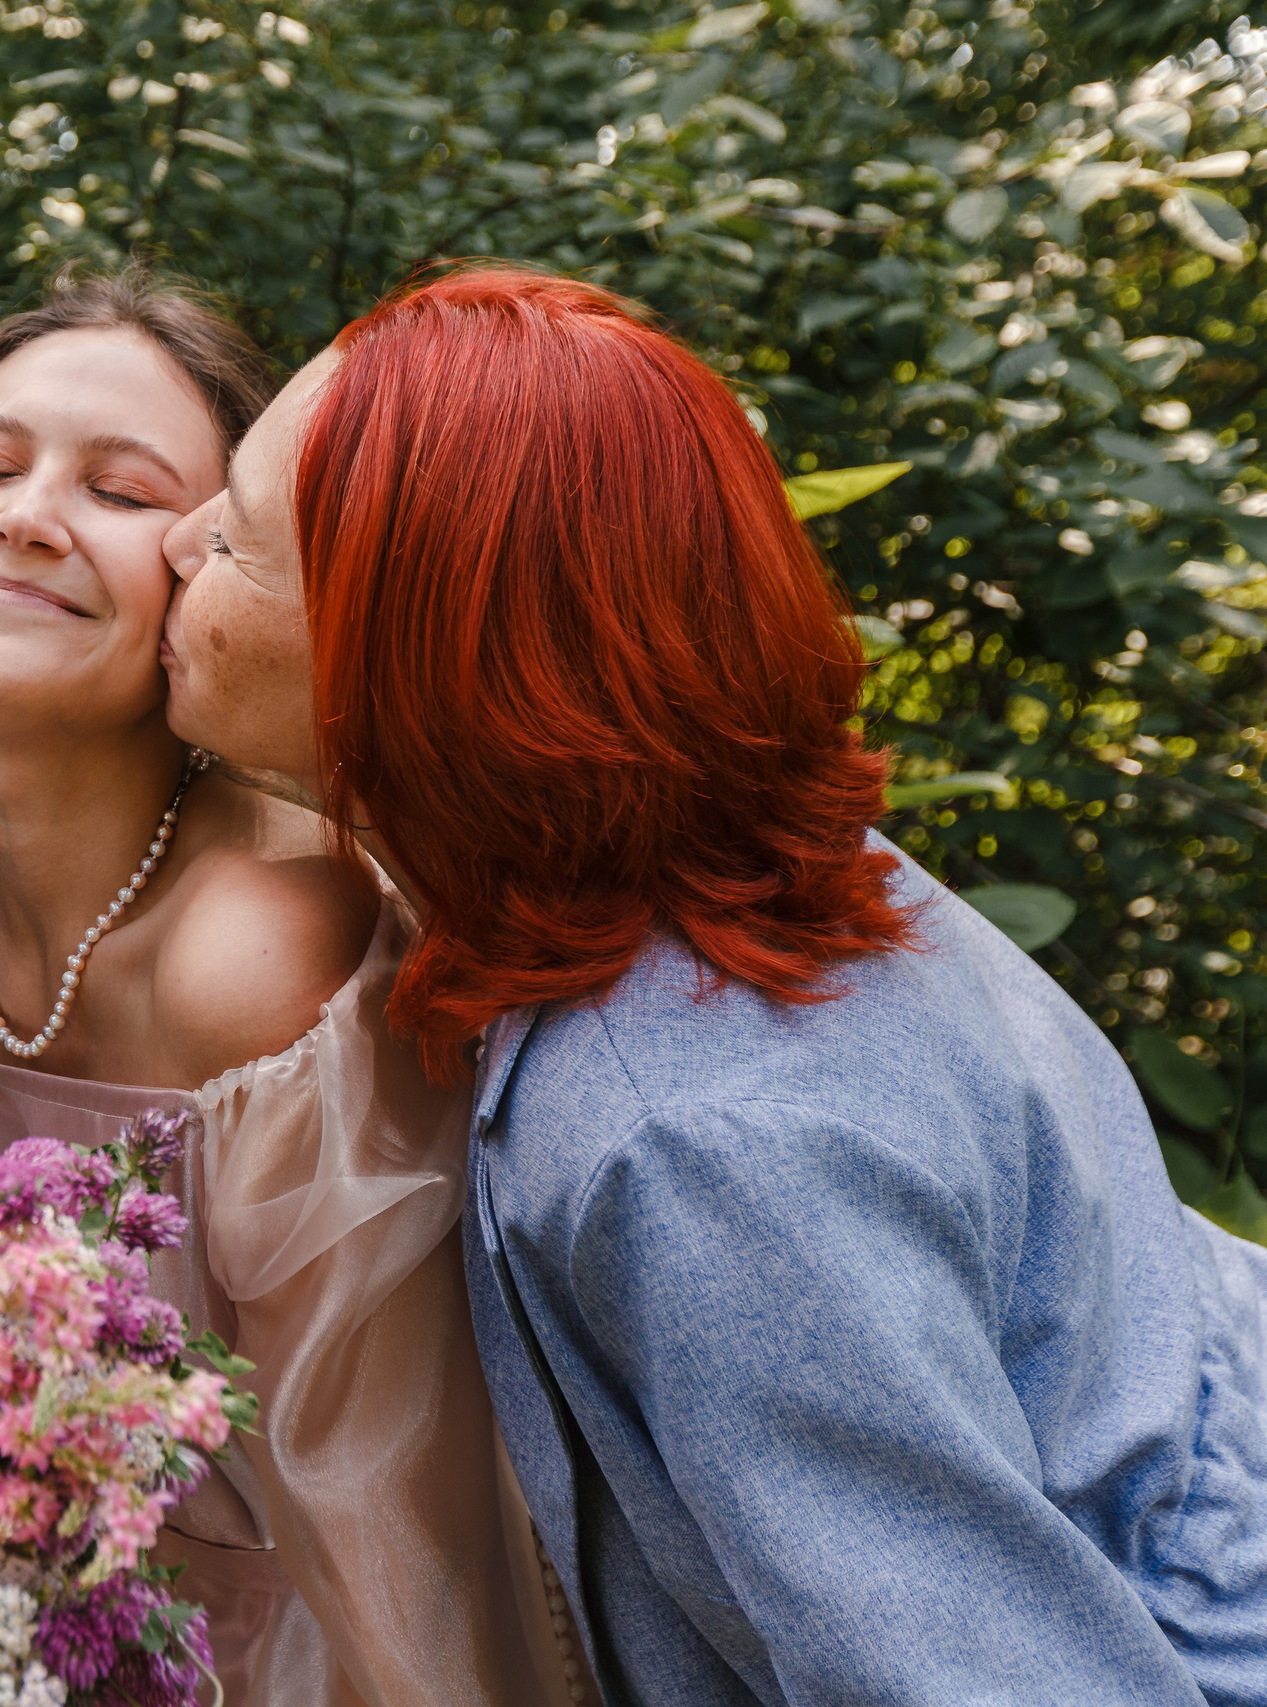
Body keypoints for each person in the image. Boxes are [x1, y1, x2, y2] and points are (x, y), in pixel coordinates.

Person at [158, 264, 1267, 1704]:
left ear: (408, 661)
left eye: (235, 541)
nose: (175, 541)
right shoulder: (753, 868)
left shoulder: (691, 1143)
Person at [0, 270, 573, 1706]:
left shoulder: (268, 941)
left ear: (211, 564)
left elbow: (401, 1536)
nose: (29, 517)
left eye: (119, 490)